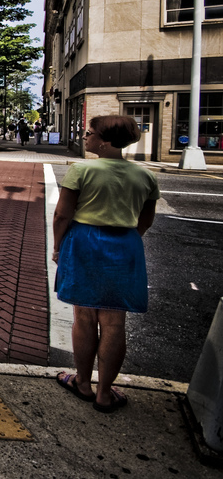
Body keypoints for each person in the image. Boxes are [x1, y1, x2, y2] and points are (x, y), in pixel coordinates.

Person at [52, 115, 159, 413]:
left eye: (90, 133)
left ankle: (82, 382)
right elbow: (146, 220)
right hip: (126, 244)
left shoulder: (82, 170)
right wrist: (126, 239)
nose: (85, 137)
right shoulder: (145, 176)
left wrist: (58, 247)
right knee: (114, 322)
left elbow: (62, 215)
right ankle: (105, 393)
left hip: (85, 241)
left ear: (104, 141)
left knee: (84, 317)